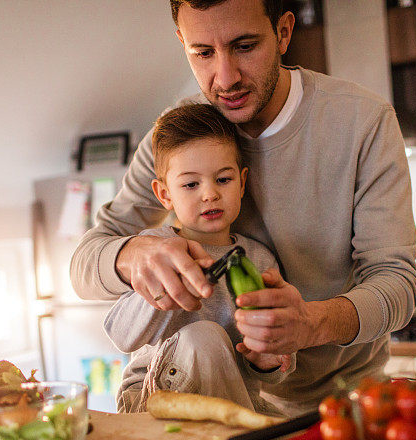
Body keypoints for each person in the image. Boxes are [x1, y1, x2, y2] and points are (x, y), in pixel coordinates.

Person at [71, 0, 416, 416]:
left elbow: (396, 284)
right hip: (196, 396)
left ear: (284, 32)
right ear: (182, 42)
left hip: (340, 402)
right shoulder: (175, 136)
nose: (225, 77)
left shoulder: (363, 123)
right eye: (203, 53)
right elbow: (84, 265)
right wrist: (133, 255)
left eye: (244, 46)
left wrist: (311, 323)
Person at [104, 103, 293, 414]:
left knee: (283, 426)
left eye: (223, 180)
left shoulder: (259, 259)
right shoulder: (156, 249)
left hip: (232, 399)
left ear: (242, 183)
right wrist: (164, 290)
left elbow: (276, 370)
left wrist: (268, 359)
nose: (209, 194)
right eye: (191, 184)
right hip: (151, 398)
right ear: (165, 195)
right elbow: (122, 337)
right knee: (204, 336)